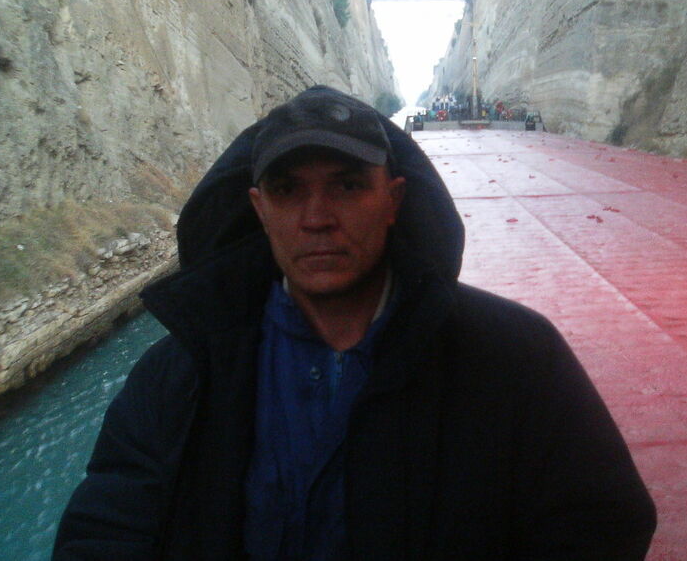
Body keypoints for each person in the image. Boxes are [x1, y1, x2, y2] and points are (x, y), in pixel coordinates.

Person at [53, 86, 656, 560]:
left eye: (346, 186)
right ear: (259, 209)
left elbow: (599, 522)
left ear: (393, 199)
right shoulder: (181, 373)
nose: (316, 218)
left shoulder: (514, 357)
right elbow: (108, 530)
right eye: (288, 190)